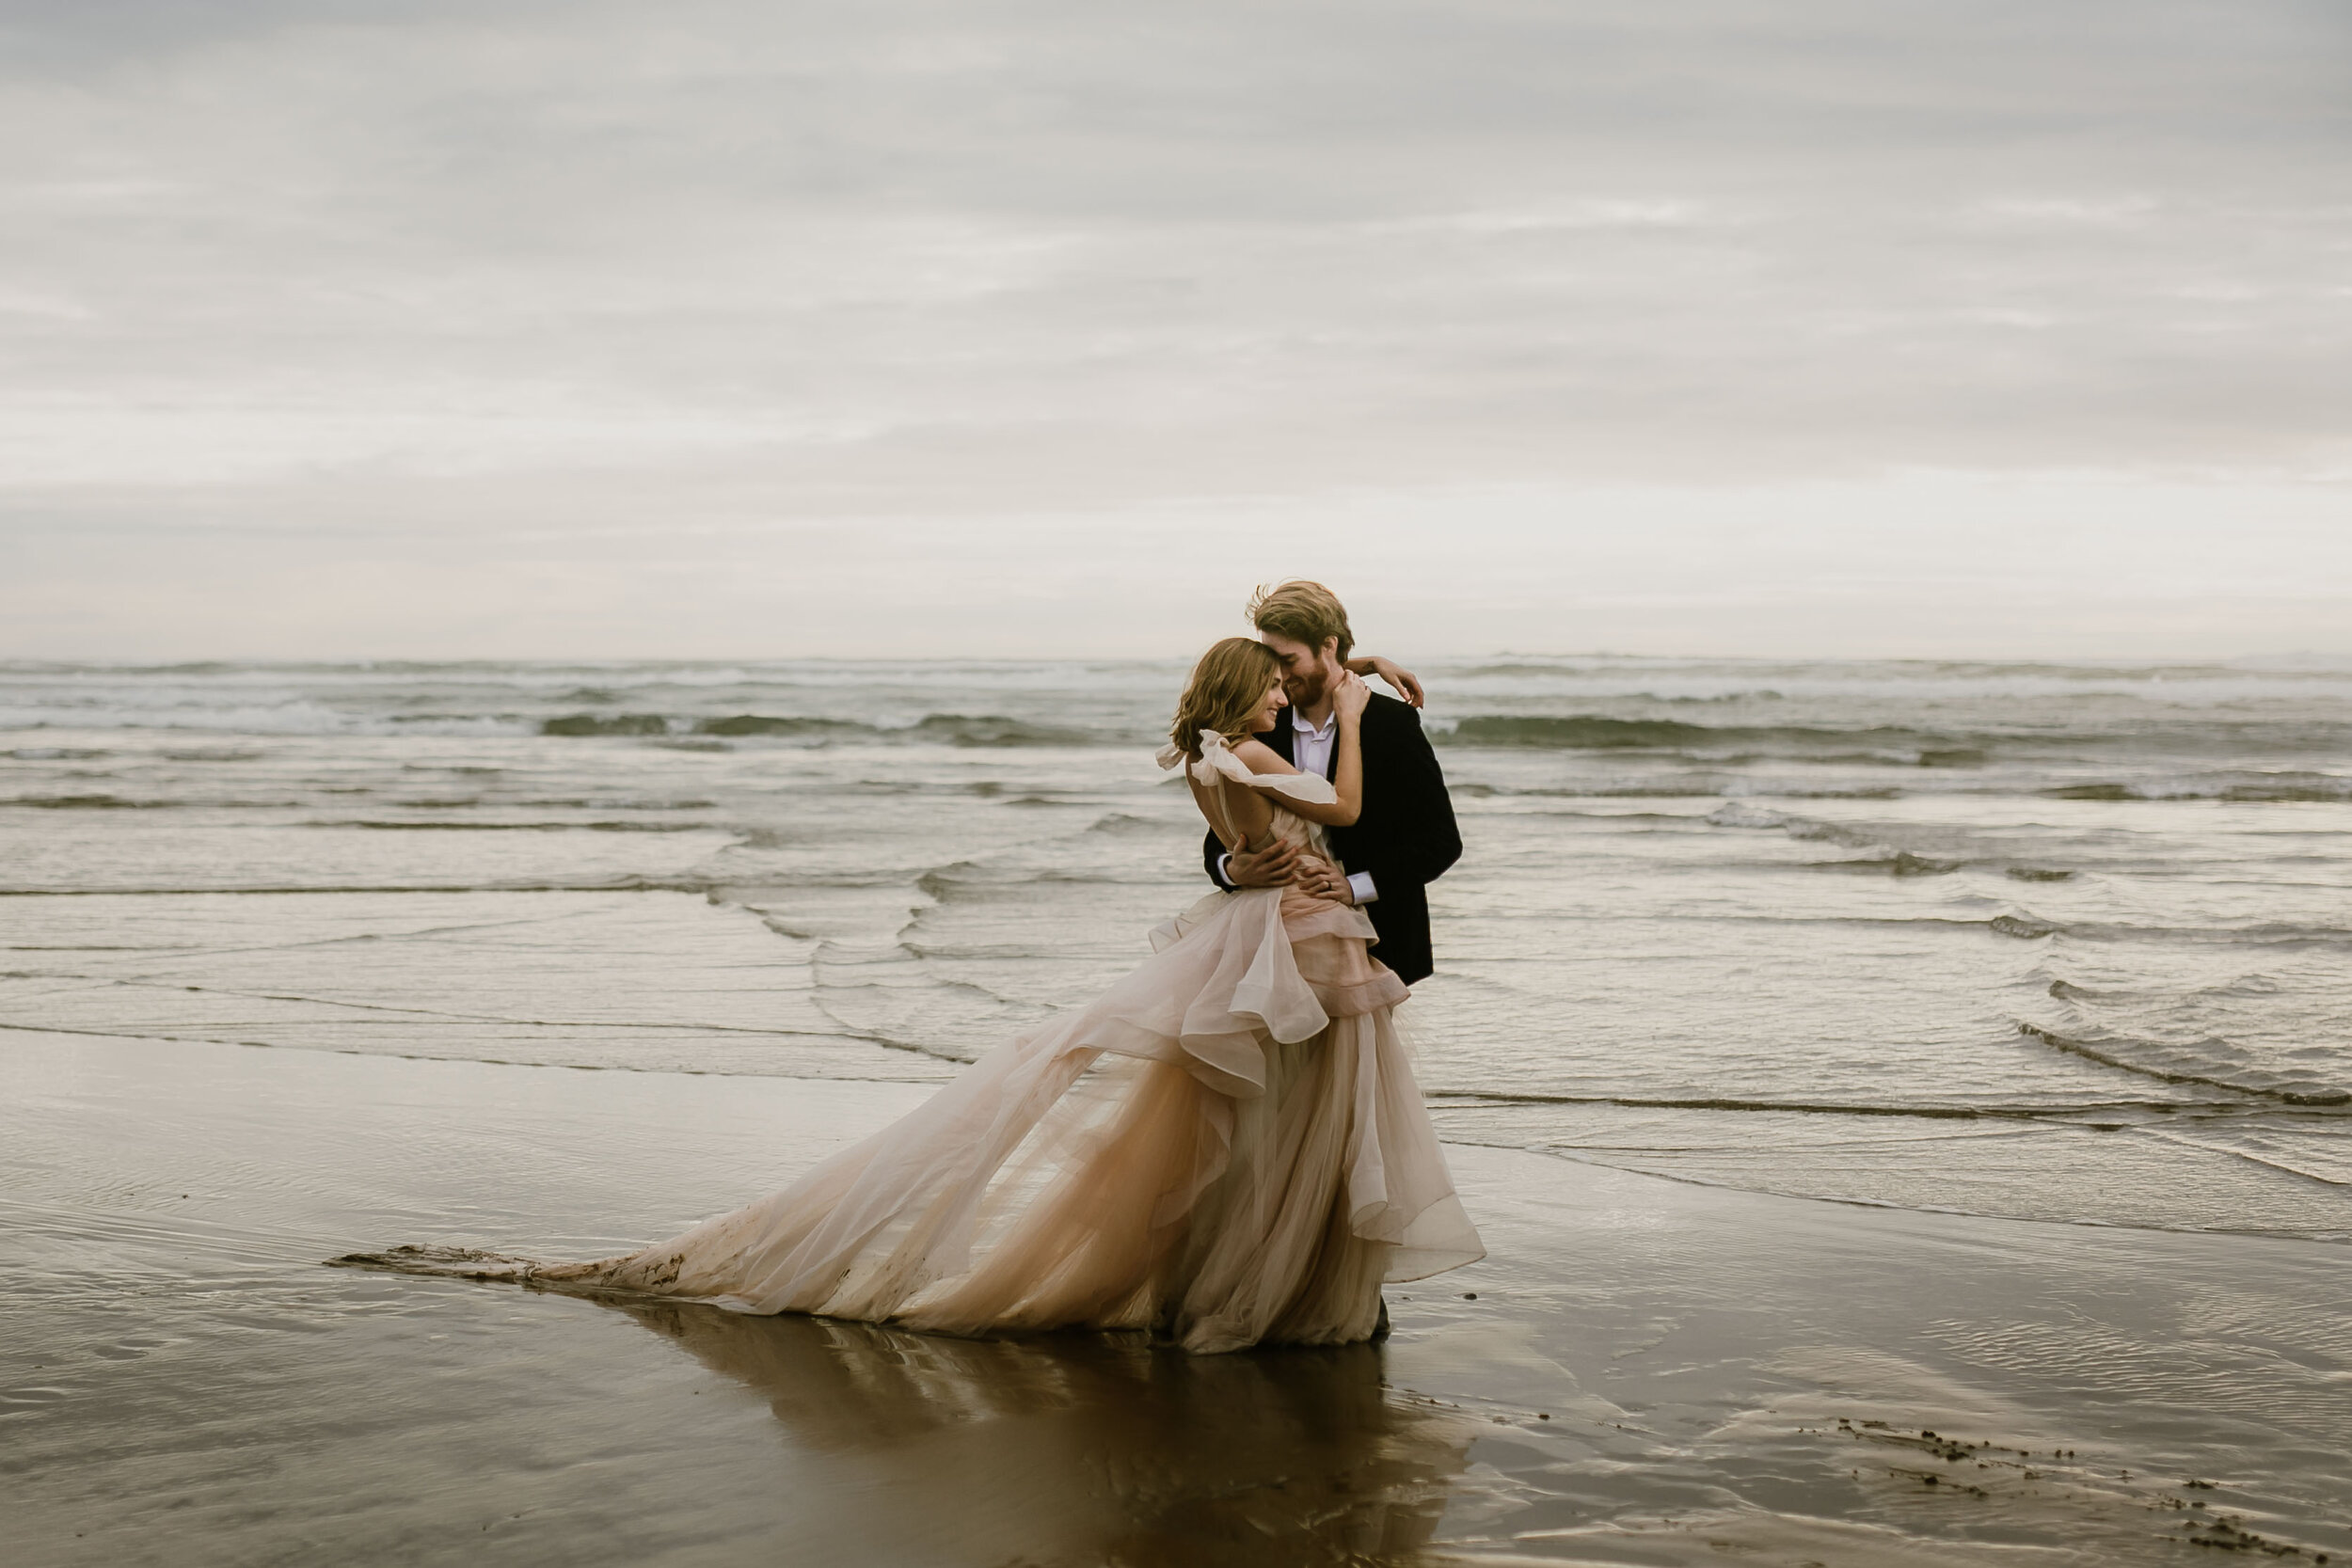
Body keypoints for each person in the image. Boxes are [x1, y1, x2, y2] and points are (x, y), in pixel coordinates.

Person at [340, 634, 1482, 1354]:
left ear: (1323, 650)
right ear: (1264, 675)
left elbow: (1429, 843)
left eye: (1296, 664)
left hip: (1338, 943)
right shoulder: (1277, 737)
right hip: (1284, 944)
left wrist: (1364, 737)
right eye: (1271, 668)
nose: (1283, 682)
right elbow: (1251, 842)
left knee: (1324, 1129)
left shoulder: (1358, 726)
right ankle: (1271, 1290)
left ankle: (1315, 1287)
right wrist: (1246, 861)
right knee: (1259, 1127)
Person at [1208, 581, 1462, 986]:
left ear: (1328, 645)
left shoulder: (1391, 725)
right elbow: (1220, 837)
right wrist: (1233, 870)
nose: (1277, 674)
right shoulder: (1259, 726)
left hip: (1376, 943)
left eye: (1287, 659)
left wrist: (1354, 887)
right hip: (1274, 942)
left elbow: (1440, 841)